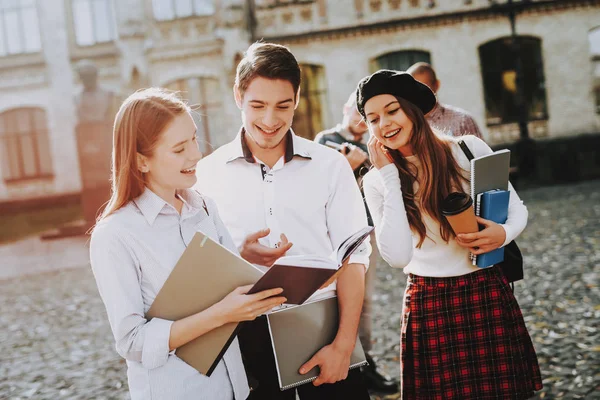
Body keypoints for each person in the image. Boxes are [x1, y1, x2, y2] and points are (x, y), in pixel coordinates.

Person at [195, 42, 372, 400]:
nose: (270, 120)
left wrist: (343, 345)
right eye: (258, 106)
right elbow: (198, 270)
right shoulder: (206, 174)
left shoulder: (330, 166)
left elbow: (355, 260)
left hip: (323, 328)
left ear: (298, 99)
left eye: (283, 106)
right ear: (238, 95)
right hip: (244, 339)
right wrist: (240, 255)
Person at [89, 88, 286, 400]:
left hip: (236, 386)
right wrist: (222, 313)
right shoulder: (115, 235)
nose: (196, 154)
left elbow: (233, 287)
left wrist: (276, 277)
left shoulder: (204, 207)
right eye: (179, 149)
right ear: (141, 161)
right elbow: (132, 342)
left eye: (194, 139)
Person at [358, 70, 543, 399]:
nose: (383, 124)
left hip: (485, 287)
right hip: (428, 299)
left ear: (412, 109)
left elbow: (517, 208)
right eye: (372, 119)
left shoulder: (468, 150)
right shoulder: (375, 182)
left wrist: (502, 233)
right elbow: (398, 256)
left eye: (391, 110)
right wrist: (388, 177)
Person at [314, 92, 398, 394]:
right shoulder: (325, 141)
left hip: (365, 232)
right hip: (331, 237)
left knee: (364, 301)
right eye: (356, 112)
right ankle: (346, 360)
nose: (360, 120)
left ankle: (365, 363)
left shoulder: (377, 144)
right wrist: (348, 166)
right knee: (331, 299)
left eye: (367, 116)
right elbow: (318, 192)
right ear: (346, 109)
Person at [407, 62, 483, 138]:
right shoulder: (406, 125)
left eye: (424, 88)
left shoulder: (462, 121)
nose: (418, 94)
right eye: (413, 89)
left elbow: (480, 150)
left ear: (436, 85)